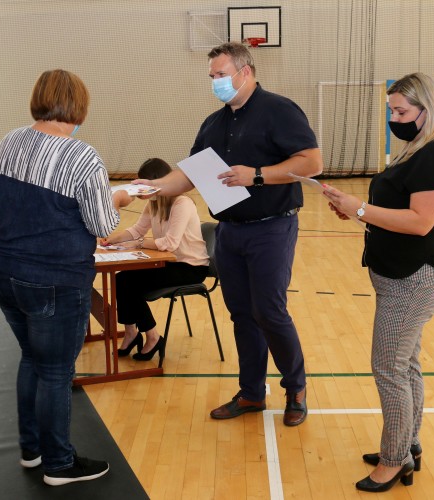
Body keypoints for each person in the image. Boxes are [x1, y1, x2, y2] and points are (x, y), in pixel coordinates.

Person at [135, 42, 323, 425]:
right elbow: (186, 175)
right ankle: (252, 392)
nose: (215, 82)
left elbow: (312, 162)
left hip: (272, 226)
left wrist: (256, 174)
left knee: (269, 310)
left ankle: (295, 388)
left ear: (245, 72)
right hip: (230, 232)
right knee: (241, 314)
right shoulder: (213, 124)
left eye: (221, 75)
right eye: (212, 77)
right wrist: (150, 187)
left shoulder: (280, 110)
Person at [0, 69, 131, 486]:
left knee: (32, 357)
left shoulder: (9, 140)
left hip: (0, 270)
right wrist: (119, 196)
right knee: (55, 371)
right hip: (51, 278)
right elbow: (102, 222)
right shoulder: (82, 157)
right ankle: (59, 463)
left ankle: (31, 449)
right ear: (78, 106)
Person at [323, 72, 434, 493]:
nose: (394, 118)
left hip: (412, 277)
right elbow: (393, 210)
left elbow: (421, 223)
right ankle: (408, 445)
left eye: (401, 111)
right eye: (391, 110)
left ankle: (394, 460)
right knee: (406, 364)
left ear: (426, 111)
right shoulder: (415, 150)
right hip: (396, 273)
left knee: (388, 369)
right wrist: (354, 209)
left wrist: (359, 209)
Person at [101, 158, 209, 362]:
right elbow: (137, 230)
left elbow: (170, 243)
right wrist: (110, 240)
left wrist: (139, 244)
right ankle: (131, 332)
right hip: (169, 263)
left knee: (129, 282)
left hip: (190, 267)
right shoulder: (154, 203)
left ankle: (152, 336)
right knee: (122, 279)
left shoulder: (182, 203)